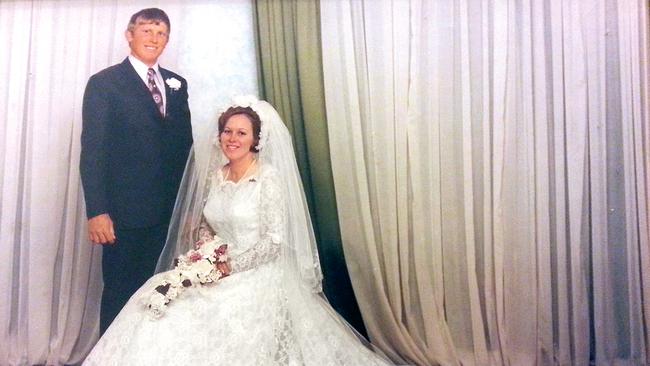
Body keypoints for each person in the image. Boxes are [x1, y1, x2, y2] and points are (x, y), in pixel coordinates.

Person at [82, 96, 395, 365]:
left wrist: (228, 266)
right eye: (227, 131)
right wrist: (205, 256)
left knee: (203, 316)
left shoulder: (268, 179)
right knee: (155, 299)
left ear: (255, 139)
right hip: (214, 267)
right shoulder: (216, 175)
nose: (232, 138)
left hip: (257, 272)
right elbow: (207, 225)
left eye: (241, 133)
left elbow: (274, 241)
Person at [80, 8, 193, 334]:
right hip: (122, 215)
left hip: (167, 213)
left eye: (161, 34)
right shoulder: (105, 83)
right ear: (130, 35)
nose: (154, 39)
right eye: (147, 31)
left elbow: (185, 148)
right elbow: (93, 152)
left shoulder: (177, 84)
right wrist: (97, 211)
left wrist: (186, 206)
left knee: (162, 294)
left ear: (167, 40)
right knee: (120, 293)